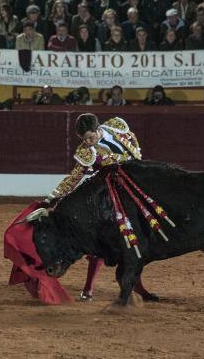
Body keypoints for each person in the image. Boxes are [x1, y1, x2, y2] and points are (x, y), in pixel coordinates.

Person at [42, 113, 157, 302]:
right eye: (84, 139)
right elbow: (73, 178)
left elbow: (135, 148)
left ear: (98, 129)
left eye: (91, 137)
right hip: (114, 198)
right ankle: (88, 289)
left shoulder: (117, 126)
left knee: (141, 241)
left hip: (140, 187)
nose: (88, 142)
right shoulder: (86, 152)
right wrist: (52, 198)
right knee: (102, 242)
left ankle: (136, 284)